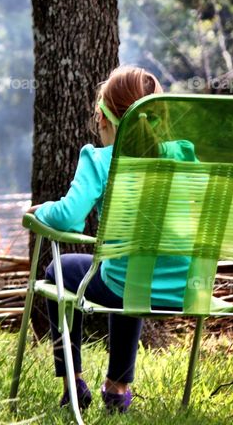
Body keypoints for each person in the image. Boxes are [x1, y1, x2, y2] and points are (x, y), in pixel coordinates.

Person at [32, 65, 196, 414]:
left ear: (106, 119)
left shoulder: (100, 160)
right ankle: (117, 389)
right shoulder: (183, 154)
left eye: (98, 114)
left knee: (59, 270)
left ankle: (73, 384)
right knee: (130, 270)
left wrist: (41, 211)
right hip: (187, 290)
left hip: (125, 285)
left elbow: (68, 216)